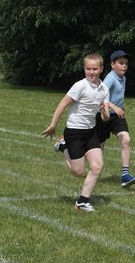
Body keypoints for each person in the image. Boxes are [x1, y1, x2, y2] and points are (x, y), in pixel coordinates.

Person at [41, 53, 111, 212]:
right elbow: (62, 104)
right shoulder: (80, 86)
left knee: (97, 166)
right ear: (84, 69)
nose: (91, 72)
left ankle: (82, 202)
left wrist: (105, 113)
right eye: (88, 69)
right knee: (78, 171)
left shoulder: (104, 89)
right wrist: (53, 125)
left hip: (91, 132)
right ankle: (62, 145)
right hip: (74, 132)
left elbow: (105, 118)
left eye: (94, 69)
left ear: (101, 69)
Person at [96, 50, 135, 188]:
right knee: (97, 149)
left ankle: (125, 176)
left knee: (126, 139)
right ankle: (64, 145)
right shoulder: (110, 78)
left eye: (126, 63)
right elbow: (100, 96)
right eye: (121, 63)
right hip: (103, 116)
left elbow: (118, 96)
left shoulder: (123, 78)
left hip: (116, 117)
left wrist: (121, 108)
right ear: (112, 65)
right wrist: (113, 107)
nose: (124, 66)